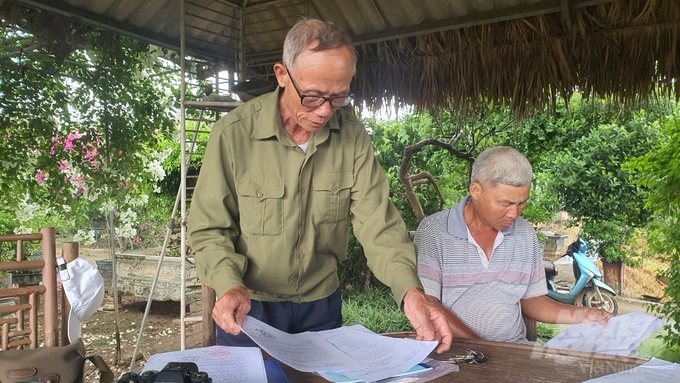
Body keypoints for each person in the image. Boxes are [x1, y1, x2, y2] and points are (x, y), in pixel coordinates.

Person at [187, 17, 452, 353]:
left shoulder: (352, 137)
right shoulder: (233, 134)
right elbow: (210, 229)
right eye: (312, 96)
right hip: (250, 306)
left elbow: (379, 226)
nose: (325, 111)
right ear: (282, 75)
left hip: (321, 304)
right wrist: (229, 285)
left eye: (338, 97)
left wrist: (410, 292)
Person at [415, 146, 614, 343]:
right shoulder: (434, 232)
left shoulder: (525, 233)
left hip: (512, 350)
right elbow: (429, 306)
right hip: (454, 353)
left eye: (522, 203)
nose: (514, 213)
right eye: (506, 203)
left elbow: (532, 301)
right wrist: (486, 353)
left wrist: (583, 315)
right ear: (476, 190)